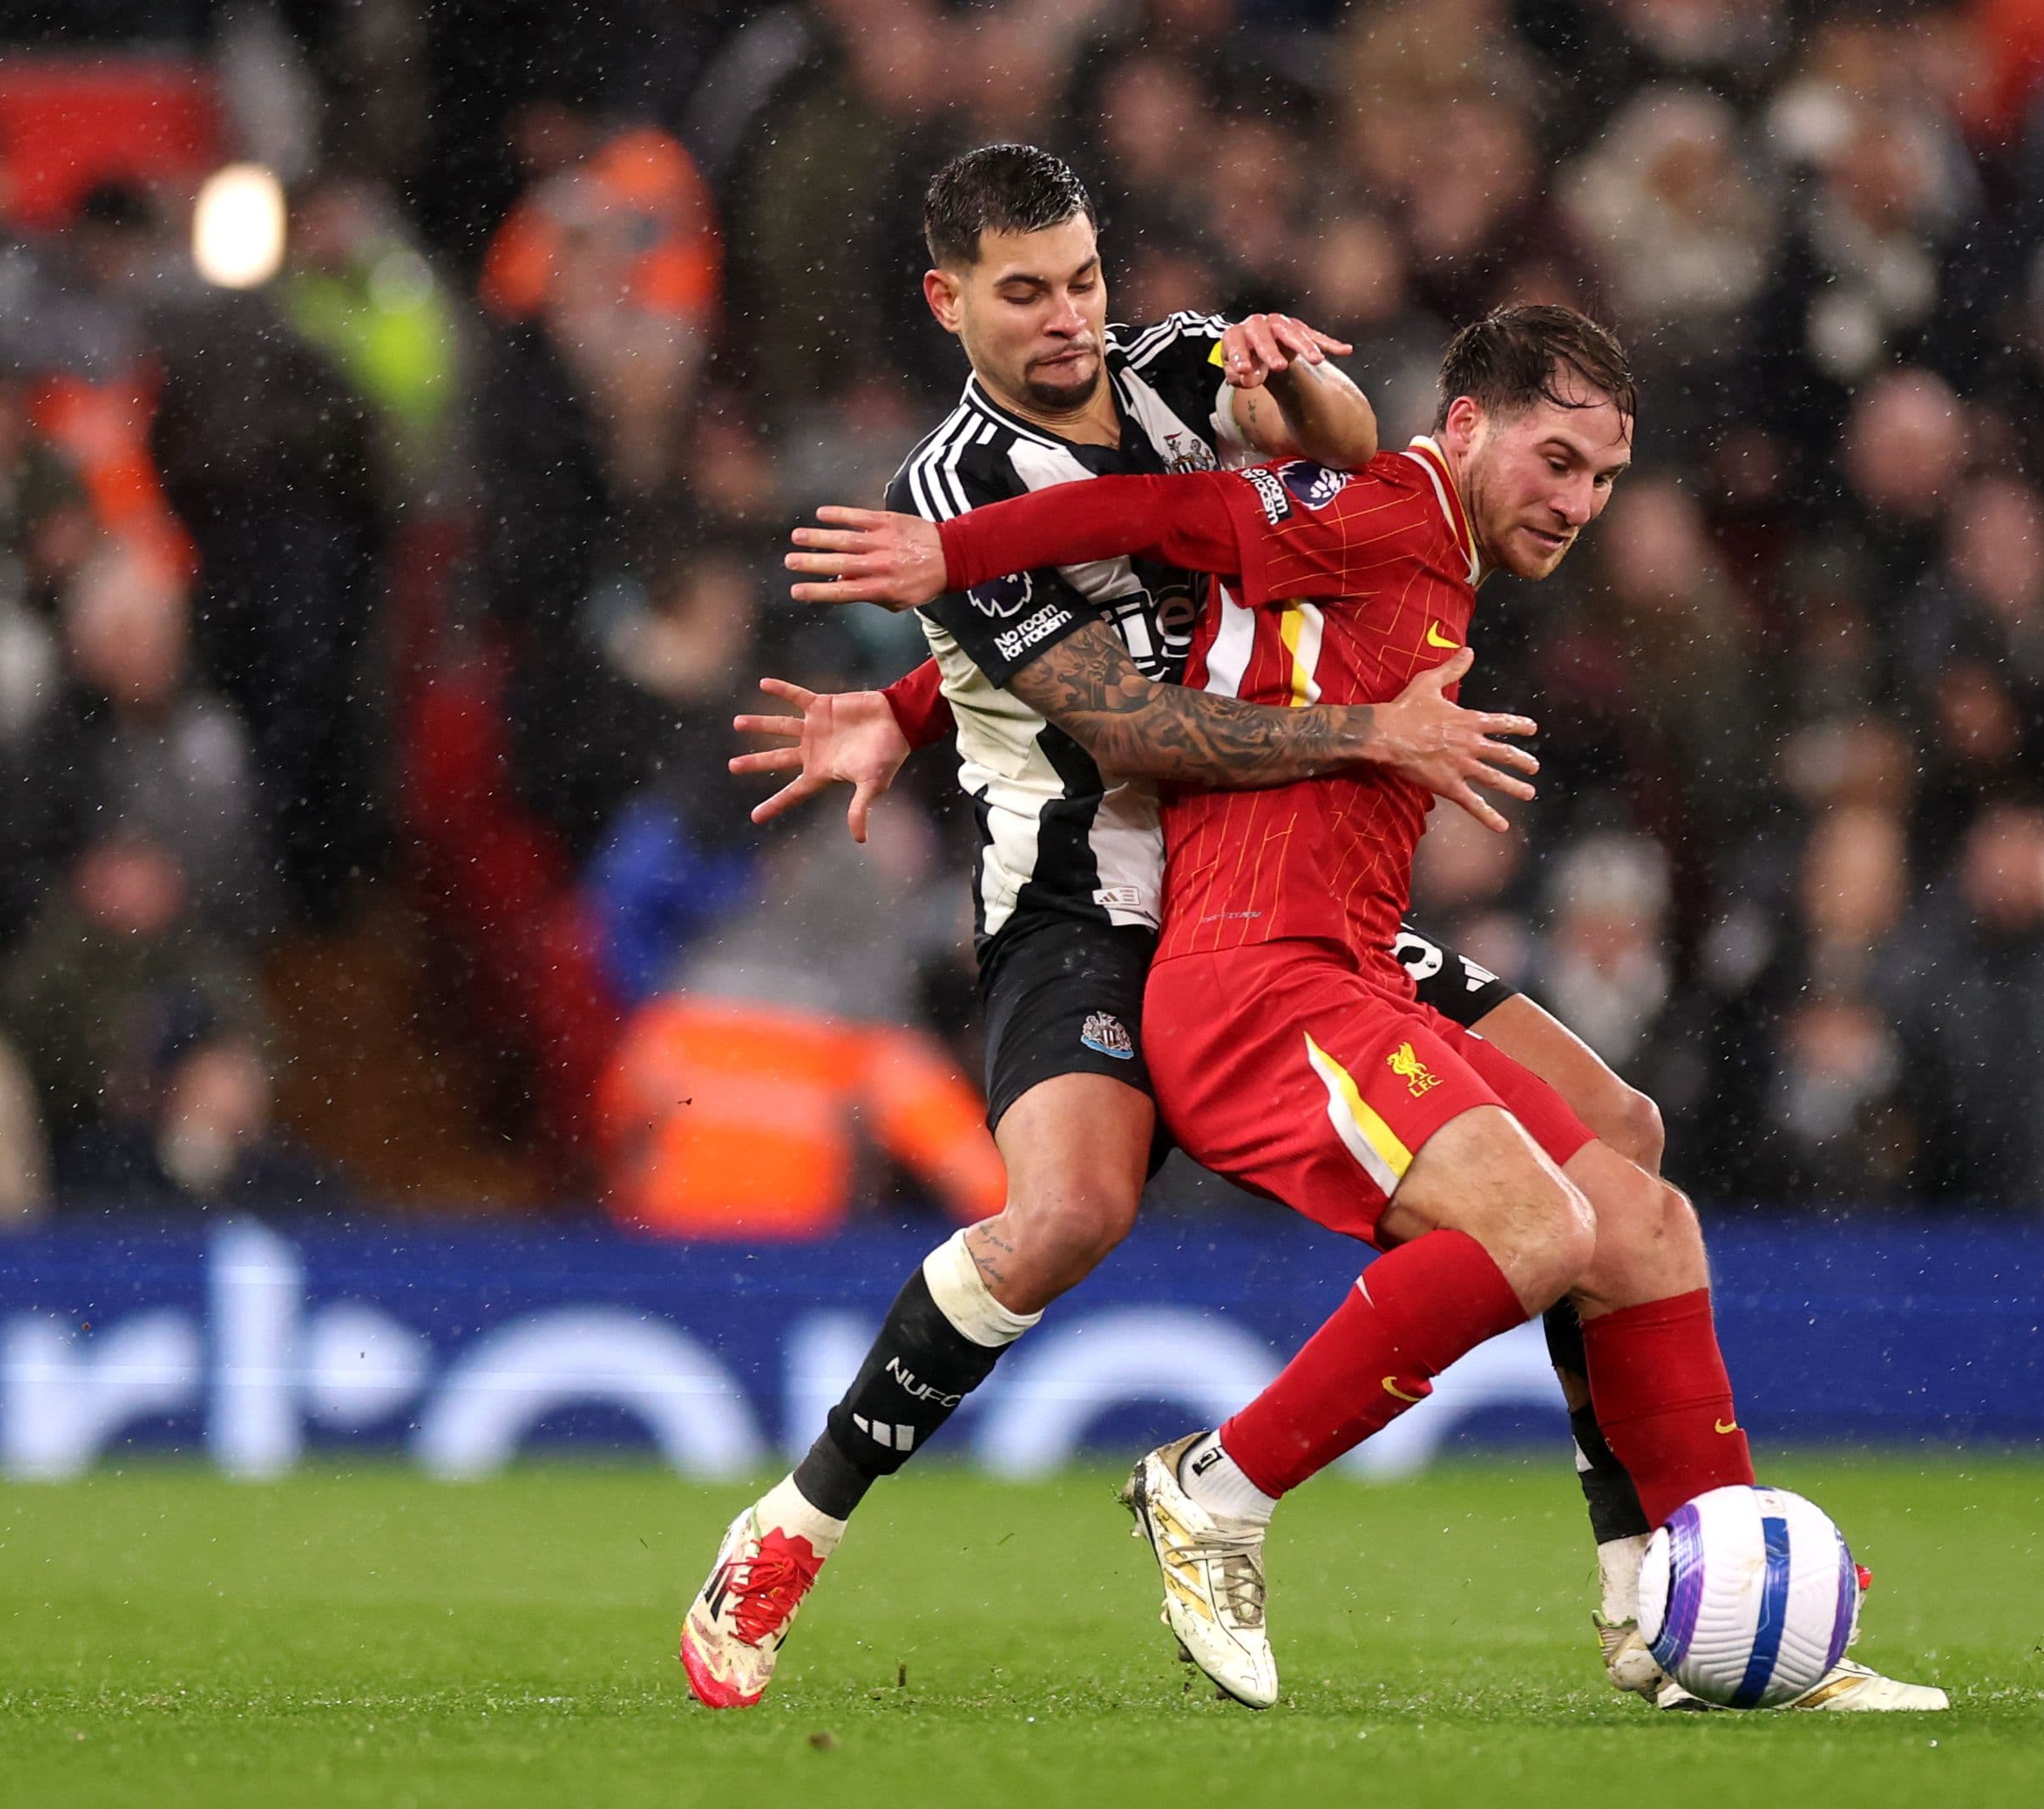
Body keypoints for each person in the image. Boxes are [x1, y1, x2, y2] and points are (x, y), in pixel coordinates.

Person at [786, 302, 1946, 1712]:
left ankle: (1697, 1605)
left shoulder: (1422, 544)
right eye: (1556, 461)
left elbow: (1158, 615)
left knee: (1643, 1214)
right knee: (1537, 1228)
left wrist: (915, 701)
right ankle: (1215, 1487)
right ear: (1463, 426)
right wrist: (951, 554)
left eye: (1603, 479)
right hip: (1259, 976)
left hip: (1344, 959)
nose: (1578, 502)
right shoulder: (1385, 512)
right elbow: (1165, 513)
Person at [680, 147, 1689, 1712]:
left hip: (1271, 883)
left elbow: (1341, 476)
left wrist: (1295, 378)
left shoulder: (1170, 365)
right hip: (1082, 897)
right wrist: (1371, 730)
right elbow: (1134, 724)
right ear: (948, 303)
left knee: (1612, 1136)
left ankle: (1645, 1581)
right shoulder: (954, 492)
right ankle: (794, 1523)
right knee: (1069, 1214)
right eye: (1025, 293)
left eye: (1083, 278)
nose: (1068, 318)